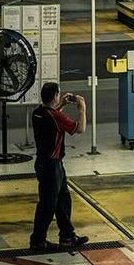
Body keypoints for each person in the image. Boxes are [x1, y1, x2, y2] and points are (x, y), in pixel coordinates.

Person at [29, 83, 88, 250]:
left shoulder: (38, 113)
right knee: (48, 205)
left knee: (63, 200)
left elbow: (52, 118)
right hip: (52, 166)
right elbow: (80, 129)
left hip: (44, 163)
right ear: (55, 96)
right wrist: (82, 108)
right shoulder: (56, 117)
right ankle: (38, 240)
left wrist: (61, 105)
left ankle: (67, 236)